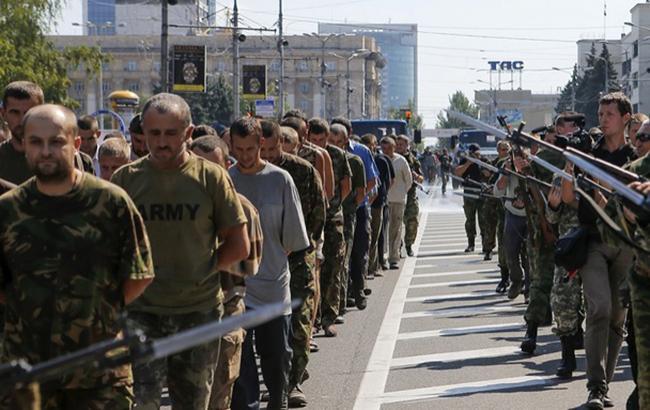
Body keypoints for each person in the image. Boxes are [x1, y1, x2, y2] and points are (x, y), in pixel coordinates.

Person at [0, 104, 154, 409]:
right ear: (25, 147)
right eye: (36, 142)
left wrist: (98, 311)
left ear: (76, 144)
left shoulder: (111, 203)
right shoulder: (8, 210)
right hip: (27, 374)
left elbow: (140, 274)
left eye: (56, 142)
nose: (46, 151)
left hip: (100, 373)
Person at [111, 93, 250, 410]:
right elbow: (111, 245)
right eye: (154, 133)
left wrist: (201, 269)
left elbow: (238, 243)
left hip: (197, 312)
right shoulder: (126, 179)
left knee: (192, 402)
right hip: (142, 313)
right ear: (143, 133)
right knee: (141, 401)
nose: (161, 142)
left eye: (171, 133)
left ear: (188, 134)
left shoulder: (211, 177)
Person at [562, 92, 636, 410]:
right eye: (600, 113)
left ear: (625, 119)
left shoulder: (636, 159)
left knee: (618, 319)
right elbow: (567, 198)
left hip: (623, 244)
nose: (603, 119)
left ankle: (603, 387)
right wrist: (570, 161)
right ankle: (594, 387)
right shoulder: (589, 153)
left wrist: (598, 180)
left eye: (609, 114)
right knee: (599, 309)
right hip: (592, 242)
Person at [229, 117, 309, 410]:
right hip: (238, 288)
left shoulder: (280, 179)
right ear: (231, 146)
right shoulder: (226, 180)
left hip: (274, 284)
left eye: (251, 148)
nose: (246, 156)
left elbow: (294, 239)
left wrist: (272, 261)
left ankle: (279, 402)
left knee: (276, 358)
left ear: (260, 144)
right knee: (242, 364)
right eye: (239, 149)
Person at [189, 134, 263, 410]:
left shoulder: (241, 208)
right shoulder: (177, 207)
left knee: (219, 398)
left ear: (225, 165)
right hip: (181, 316)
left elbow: (251, 263)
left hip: (224, 314)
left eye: (211, 166)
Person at [259, 119, 325, 406]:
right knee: (267, 330)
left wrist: (300, 245)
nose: (268, 156)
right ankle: (275, 380)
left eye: (273, 149)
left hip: (298, 258)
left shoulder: (301, 171)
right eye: (264, 150)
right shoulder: (242, 173)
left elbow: (318, 213)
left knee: (298, 323)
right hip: (259, 263)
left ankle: (292, 383)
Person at [308, 117, 351, 338]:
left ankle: (328, 318)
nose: (318, 143)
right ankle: (311, 320)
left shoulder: (337, 154)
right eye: (313, 139)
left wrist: (332, 207)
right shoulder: (303, 154)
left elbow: (345, 185)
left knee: (333, 268)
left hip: (332, 216)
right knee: (312, 272)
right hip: (309, 220)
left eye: (322, 139)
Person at [329, 124, 367, 313]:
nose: (335, 145)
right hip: (327, 217)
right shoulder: (321, 158)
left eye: (338, 142)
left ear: (345, 141)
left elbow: (361, 191)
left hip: (348, 215)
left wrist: (349, 208)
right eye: (331, 142)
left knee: (349, 257)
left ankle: (344, 300)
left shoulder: (355, 161)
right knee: (332, 262)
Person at [361, 133, 394, 277]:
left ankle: (373, 266)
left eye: (372, 145)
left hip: (377, 202)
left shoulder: (382, 160)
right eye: (367, 146)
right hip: (363, 202)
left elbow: (389, 181)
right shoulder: (360, 158)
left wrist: (382, 195)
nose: (370, 148)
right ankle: (367, 267)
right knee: (366, 237)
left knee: (375, 235)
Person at [0, 81, 44, 184]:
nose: (22, 120)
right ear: (3, 114)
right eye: (15, 112)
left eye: (29, 112)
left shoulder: (62, 158)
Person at [454, 144, 490, 254]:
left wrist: (480, 163)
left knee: (484, 220)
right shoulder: (465, 160)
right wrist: (469, 163)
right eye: (472, 153)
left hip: (482, 194)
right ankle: (471, 244)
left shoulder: (484, 160)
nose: (475, 155)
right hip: (469, 194)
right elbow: (457, 172)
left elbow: (489, 174)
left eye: (476, 153)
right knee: (470, 220)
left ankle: (485, 244)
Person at [383, 136, 412, 270]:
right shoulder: (380, 160)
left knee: (395, 229)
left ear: (394, 148)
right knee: (383, 231)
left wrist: (402, 193)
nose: (386, 151)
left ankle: (393, 258)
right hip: (384, 200)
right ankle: (381, 257)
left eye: (389, 148)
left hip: (398, 200)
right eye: (383, 148)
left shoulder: (401, 161)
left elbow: (409, 180)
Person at [395, 135, 422, 257]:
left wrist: (416, 176)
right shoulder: (392, 158)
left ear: (407, 145)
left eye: (402, 144)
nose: (399, 146)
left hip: (410, 195)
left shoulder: (413, 160)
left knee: (412, 221)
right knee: (396, 223)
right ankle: (397, 247)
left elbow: (421, 179)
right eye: (397, 144)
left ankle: (409, 245)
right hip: (395, 194)